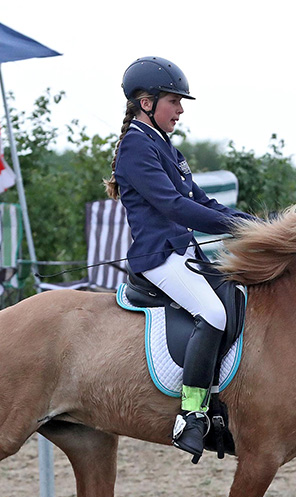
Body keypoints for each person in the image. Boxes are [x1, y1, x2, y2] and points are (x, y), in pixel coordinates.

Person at [105, 56, 257, 461]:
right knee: (213, 314)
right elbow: (173, 206)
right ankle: (190, 414)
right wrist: (234, 228)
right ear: (146, 102)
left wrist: (256, 223)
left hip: (183, 251)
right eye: (174, 100)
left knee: (238, 295)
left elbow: (200, 200)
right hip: (158, 257)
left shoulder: (164, 145)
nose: (181, 109)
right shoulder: (135, 147)